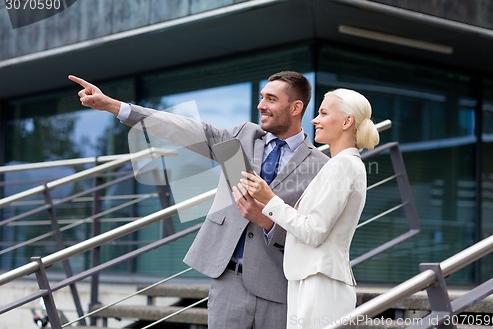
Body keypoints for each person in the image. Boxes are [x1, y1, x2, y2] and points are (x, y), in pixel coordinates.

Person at [68, 71, 329, 329]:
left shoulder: (320, 166)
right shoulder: (242, 136)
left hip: (278, 290)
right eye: (261, 97)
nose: (261, 105)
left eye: (271, 99)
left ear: (296, 107)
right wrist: (114, 106)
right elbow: (183, 129)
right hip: (228, 284)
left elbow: (315, 233)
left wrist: (269, 223)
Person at [233, 88, 380, 329]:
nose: (314, 119)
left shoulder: (342, 165)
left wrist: (270, 200)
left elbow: (314, 231)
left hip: (320, 283)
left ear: (346, 121)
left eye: (323, 113)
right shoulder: (342, 165)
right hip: (311, 279)